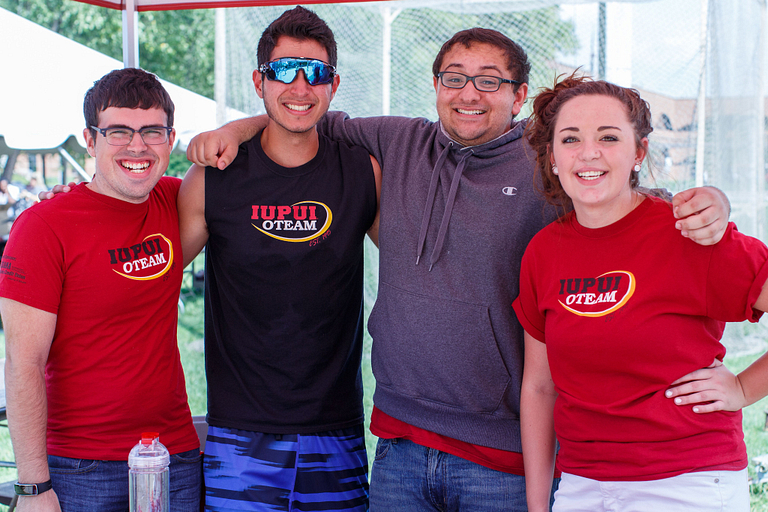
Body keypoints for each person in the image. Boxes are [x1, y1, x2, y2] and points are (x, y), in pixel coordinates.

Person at [187, 29, 730, 510]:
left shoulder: (549, 164)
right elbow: (305, 113)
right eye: (455, 78)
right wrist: (235, 128)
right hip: (399, 444)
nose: (469, 93)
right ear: (436, 85)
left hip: (502, 453)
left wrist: (709, 203)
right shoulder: (398, 142)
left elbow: (621, 197)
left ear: (520, 96)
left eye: (490, 81)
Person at [514, 74, 768, 512]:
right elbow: (539, 387)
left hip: (689, 482)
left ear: (639, 152)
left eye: (608, 137)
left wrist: (744, 389)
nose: (588, 153)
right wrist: (539, 506)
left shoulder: (689, 232)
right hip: (582, 484)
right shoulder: (543, 252)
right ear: (552, 157)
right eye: (570, 139)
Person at [178, 7, 380, 511]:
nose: (299, 86)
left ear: (333, 85)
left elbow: (420, 262)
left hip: (335, 431)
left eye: (315, 72)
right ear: (259, 81)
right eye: (284, 70)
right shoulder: (212, 178)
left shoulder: (361, 172)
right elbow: (151, 283)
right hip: (239, 434)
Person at [0, 68, 201, 512]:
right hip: (80, 467)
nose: (137, 146)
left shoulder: (177, 201)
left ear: (170, 139)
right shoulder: (43, 225)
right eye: (117, 132)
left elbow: (249, 146)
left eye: (152, 131)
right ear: (89, 140)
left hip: (174, 457)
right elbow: (22, 363)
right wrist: (33, 487)